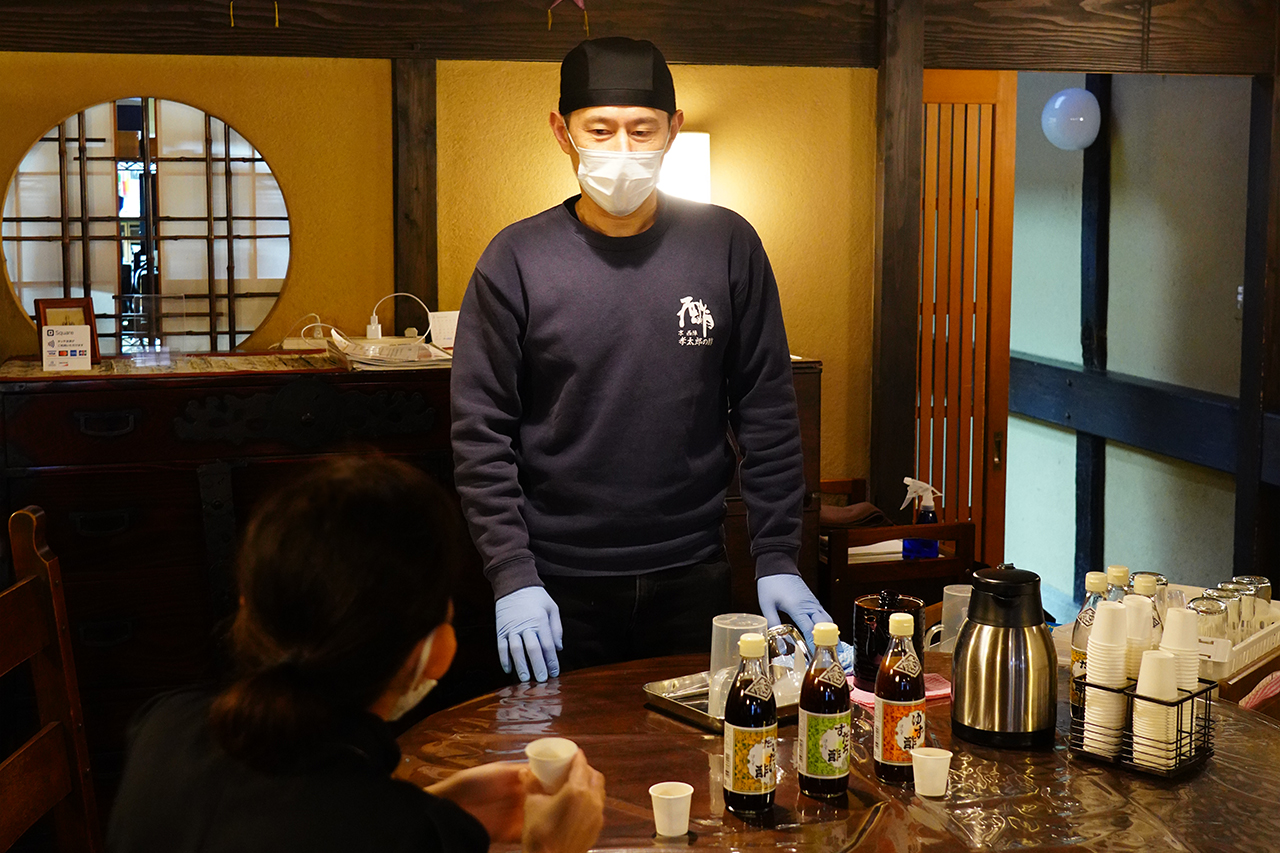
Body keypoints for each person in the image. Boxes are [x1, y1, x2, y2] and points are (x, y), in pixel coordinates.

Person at [451, 36, 832, 684]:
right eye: (600, 130)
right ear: (562, 132)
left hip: (692, 572)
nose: (622, 149)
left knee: (695, 743)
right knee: (559, 745)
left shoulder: (726, 243)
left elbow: (767, 409)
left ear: (673, 130)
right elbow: (480, 433)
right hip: (555, 583)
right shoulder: (515, 259)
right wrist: (511, 572)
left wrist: (776, 556)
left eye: (642, 129)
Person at [106, 455, 605, 853]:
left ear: (247, 607)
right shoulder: (405, 836)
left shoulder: (161, 728)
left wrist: (431, 805)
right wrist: (551, 848)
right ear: (437, 652)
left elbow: (283, 816)